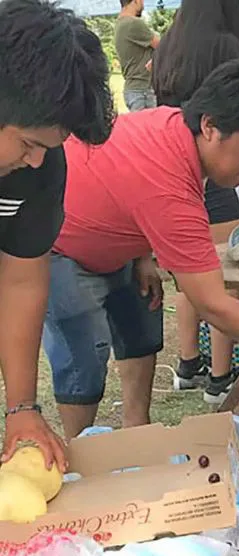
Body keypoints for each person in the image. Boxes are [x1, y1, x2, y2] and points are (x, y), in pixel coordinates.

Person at [44, 60, 239, 441]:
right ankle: (80, 452)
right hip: (62, 245)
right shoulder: (169, 181)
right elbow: (214, 306)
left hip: (116, 243)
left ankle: (136, 436)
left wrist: (142, 253)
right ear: (209, 126)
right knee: (83, 361)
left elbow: (121, 175)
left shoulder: (175, 128)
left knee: (141, 330)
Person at [0, 0, 114, 468]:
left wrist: (21, 408)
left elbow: (21, 279)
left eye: (48, 147)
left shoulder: (40, 166)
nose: (36, 161)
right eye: (28, 143)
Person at [152, 0, 239, 404]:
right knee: (224, 275)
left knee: (186, 273)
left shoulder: (167, 44)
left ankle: (188, 364)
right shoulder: (226, 46)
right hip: (213, 165)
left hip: (169, 165)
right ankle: (220, 377)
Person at [115, 0, 160, 112]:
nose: (143, 4)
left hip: (133, 89)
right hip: (142, 90)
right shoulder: (133, 23)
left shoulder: (120, 23)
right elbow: (162, 46)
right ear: (136, 1)